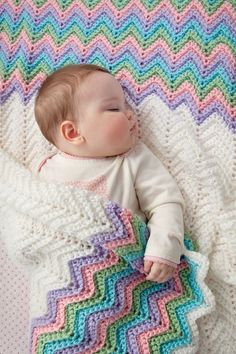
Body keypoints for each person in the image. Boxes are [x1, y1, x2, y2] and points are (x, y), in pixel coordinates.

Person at [35, 63, 185, 283]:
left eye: (126, 105)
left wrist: (164, 247)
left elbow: (165, 201)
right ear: (73, 132)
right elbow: (31, 219)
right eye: (115, 109)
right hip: (65, 276)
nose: (130, 113)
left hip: (128, 270)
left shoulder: (133, 159)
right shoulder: (46, 171)